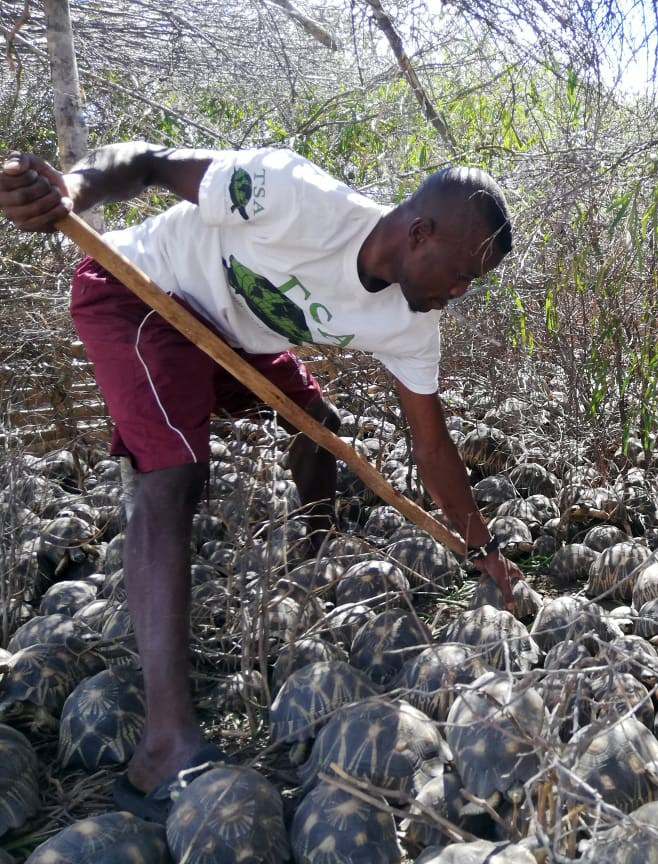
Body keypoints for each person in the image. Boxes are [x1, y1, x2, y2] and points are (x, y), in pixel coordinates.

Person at [0, 142, 522, 819]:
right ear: (419, 233)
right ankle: (164, 744)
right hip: (139, 292)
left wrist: (483, 551)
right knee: (173, 478)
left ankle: (313, 556)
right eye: (459, 273)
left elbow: (434, 445)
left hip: (229, 332)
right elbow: (149, 161)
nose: (459, 293)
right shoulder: (290, 193)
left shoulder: (411, 321)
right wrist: (71, 189)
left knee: (318, 426)